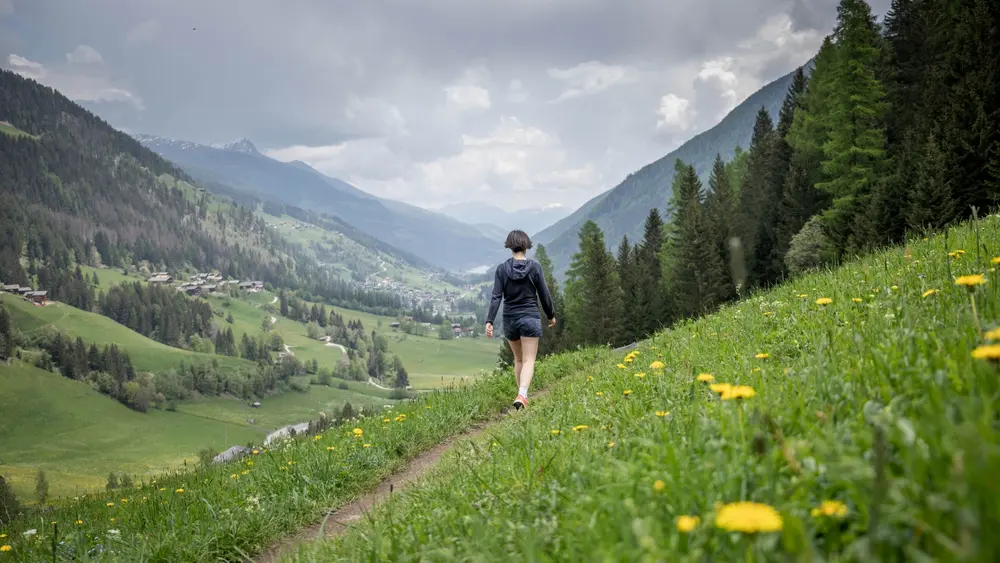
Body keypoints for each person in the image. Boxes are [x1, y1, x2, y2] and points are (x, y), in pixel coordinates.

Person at [485, 229, 556, 410]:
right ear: (526, 246)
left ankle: (521, 395)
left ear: (510, 245)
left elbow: (496, 297)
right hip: (530, 316)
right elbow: (544, 294)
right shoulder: (535, 268)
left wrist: (490, 321)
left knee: (518, 359)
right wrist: (550, 314)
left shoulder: (502, 269)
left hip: (510, 319)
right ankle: (522, 394)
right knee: (529, 359)